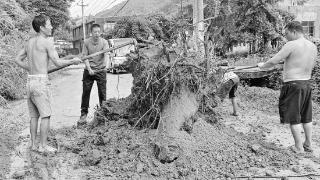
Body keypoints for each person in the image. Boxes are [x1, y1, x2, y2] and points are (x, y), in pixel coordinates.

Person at [15, 15, 82, 153]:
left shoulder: (29, 42)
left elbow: (17, 59)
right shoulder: (46, 42)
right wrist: (72, 61)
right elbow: (57, 62)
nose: (51, 27)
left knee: (34, 116)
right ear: (42, 27)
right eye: (49, 24)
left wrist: (30, 68)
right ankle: (43, 146)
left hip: (30, 81)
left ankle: (33, 145)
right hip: (40, 82)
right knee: (46, 115)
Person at [258, 21, 317, 153]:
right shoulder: (312, 46)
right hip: (306, 83)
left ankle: (298, 147)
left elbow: (274, 61)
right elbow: (306, 64)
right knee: (306, 116)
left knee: (293, 117)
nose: (286, 37)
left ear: (294, 32)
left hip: (293, 85)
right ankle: (308, 144)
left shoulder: (291, 44)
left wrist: (262, 66)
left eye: (287, 34)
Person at [78, 24, 109, 126]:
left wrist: (105, 66)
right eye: (95, 32)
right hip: (89, 70)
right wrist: (89, 69)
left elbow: (106, 54)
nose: (97, 34)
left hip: (101, 70)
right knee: (86, 92)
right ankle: (83, 114)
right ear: (91, 33)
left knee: (102, 93)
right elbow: (85, 56)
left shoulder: (104, 42)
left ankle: (103, 113)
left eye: (98, 32)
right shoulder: (86, 42)